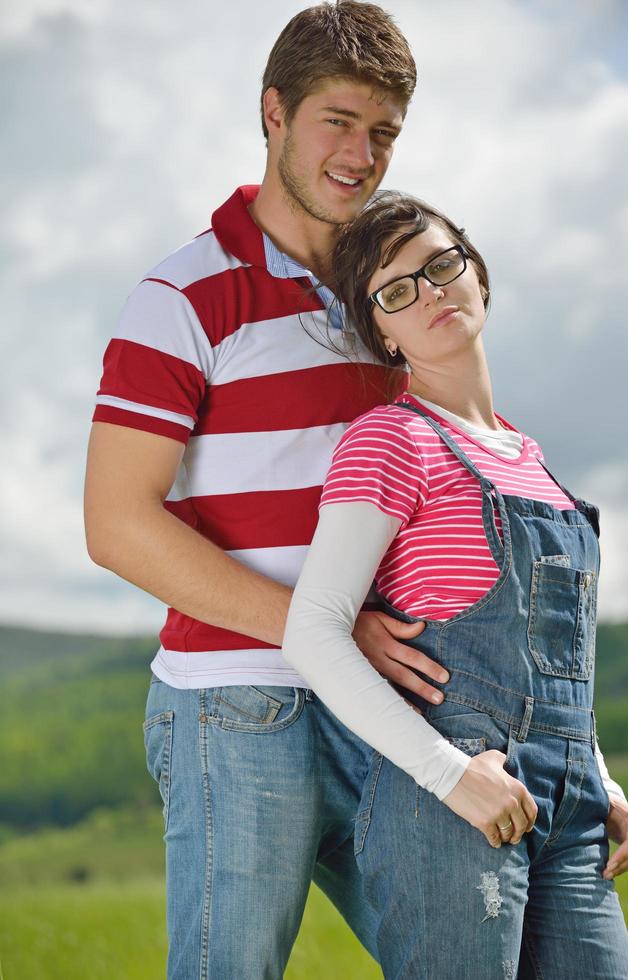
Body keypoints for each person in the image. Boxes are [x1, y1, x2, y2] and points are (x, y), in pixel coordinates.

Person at [83, 4, 443, 977]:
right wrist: (322, 626)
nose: (361, 154)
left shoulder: (395, 297)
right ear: (273, 112)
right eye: (339, 121)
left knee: (477, 949)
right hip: (241, 706)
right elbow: (116, 526)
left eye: (384, 133)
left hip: (388, 701)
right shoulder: (183, 296)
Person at [283, 192, 628, 978]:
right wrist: (451, 777)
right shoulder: (390, 439)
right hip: (451, 805)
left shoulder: (532, 457)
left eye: (442, 264)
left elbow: (552, 662)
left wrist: (605, 783)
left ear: (476, 274)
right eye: (397, 291)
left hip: (572, 808)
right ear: (381, 331)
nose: (431, 291)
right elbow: (313, 629)